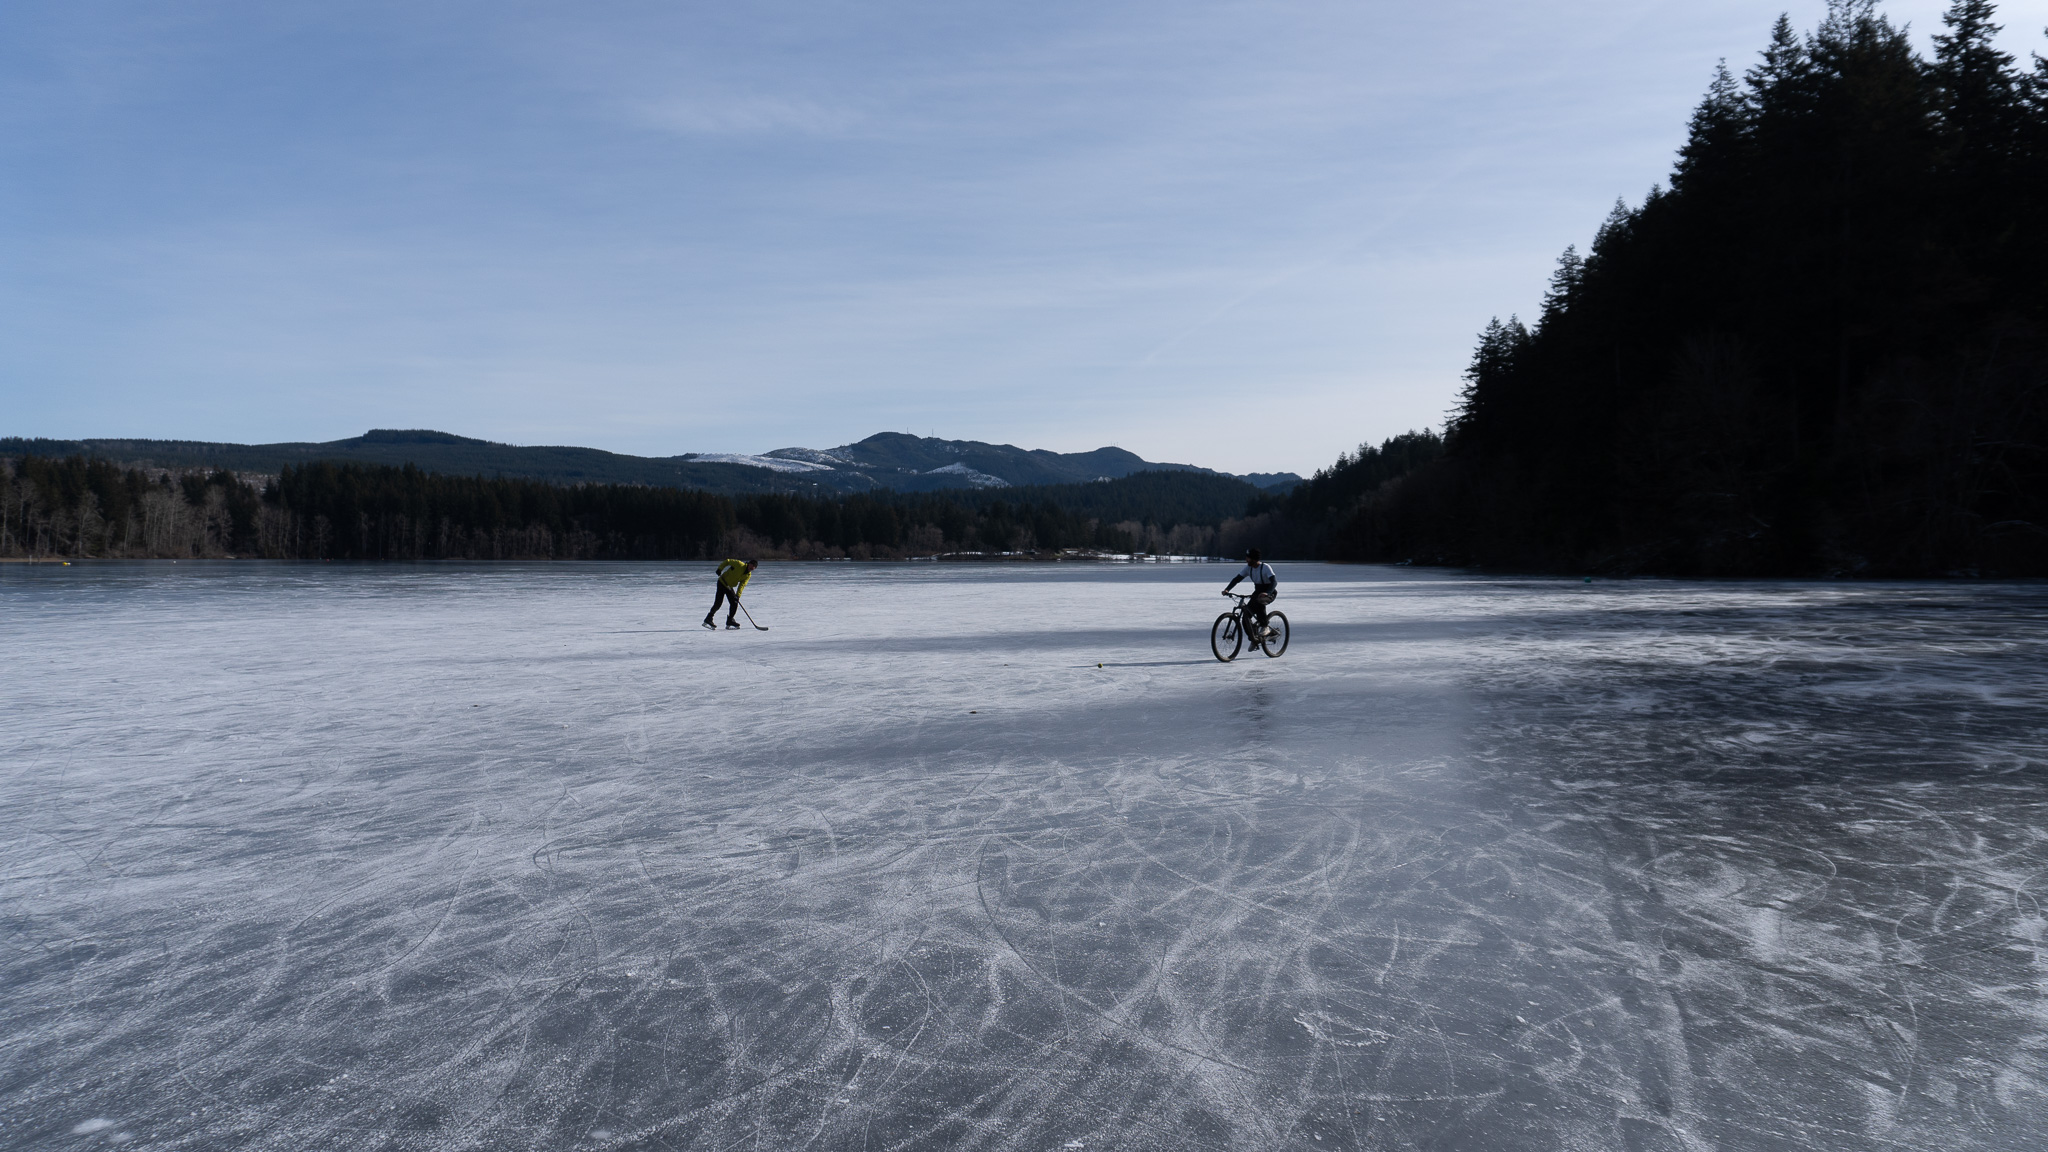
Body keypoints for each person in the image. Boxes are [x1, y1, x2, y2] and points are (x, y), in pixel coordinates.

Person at [1222, 549, 1278, 638]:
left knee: (1260, 601)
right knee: (1245, 617)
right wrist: (1227, 589)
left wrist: (1267, 593)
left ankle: (1265, 626)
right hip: (1257, 592)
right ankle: (1254, 638)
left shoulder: (1265, 567)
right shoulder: (1248, 568)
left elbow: (1274, 582)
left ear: (1254, 559)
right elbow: (1237, 579)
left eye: (1248, 558)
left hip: (1270, 592)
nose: (1246, 560)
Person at [703, 558, 758, 630]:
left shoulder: (748, 575)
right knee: (718, 603)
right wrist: (720, 569)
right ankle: (708, 618)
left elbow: (742, 585)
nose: (751, 569)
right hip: (722, 583)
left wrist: (738, 595)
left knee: (734, 603)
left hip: (729, 587)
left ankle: (730, 620)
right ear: (749, 564)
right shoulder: (739, 564)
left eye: (753, 568)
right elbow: (727, 561)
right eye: (751, 566)